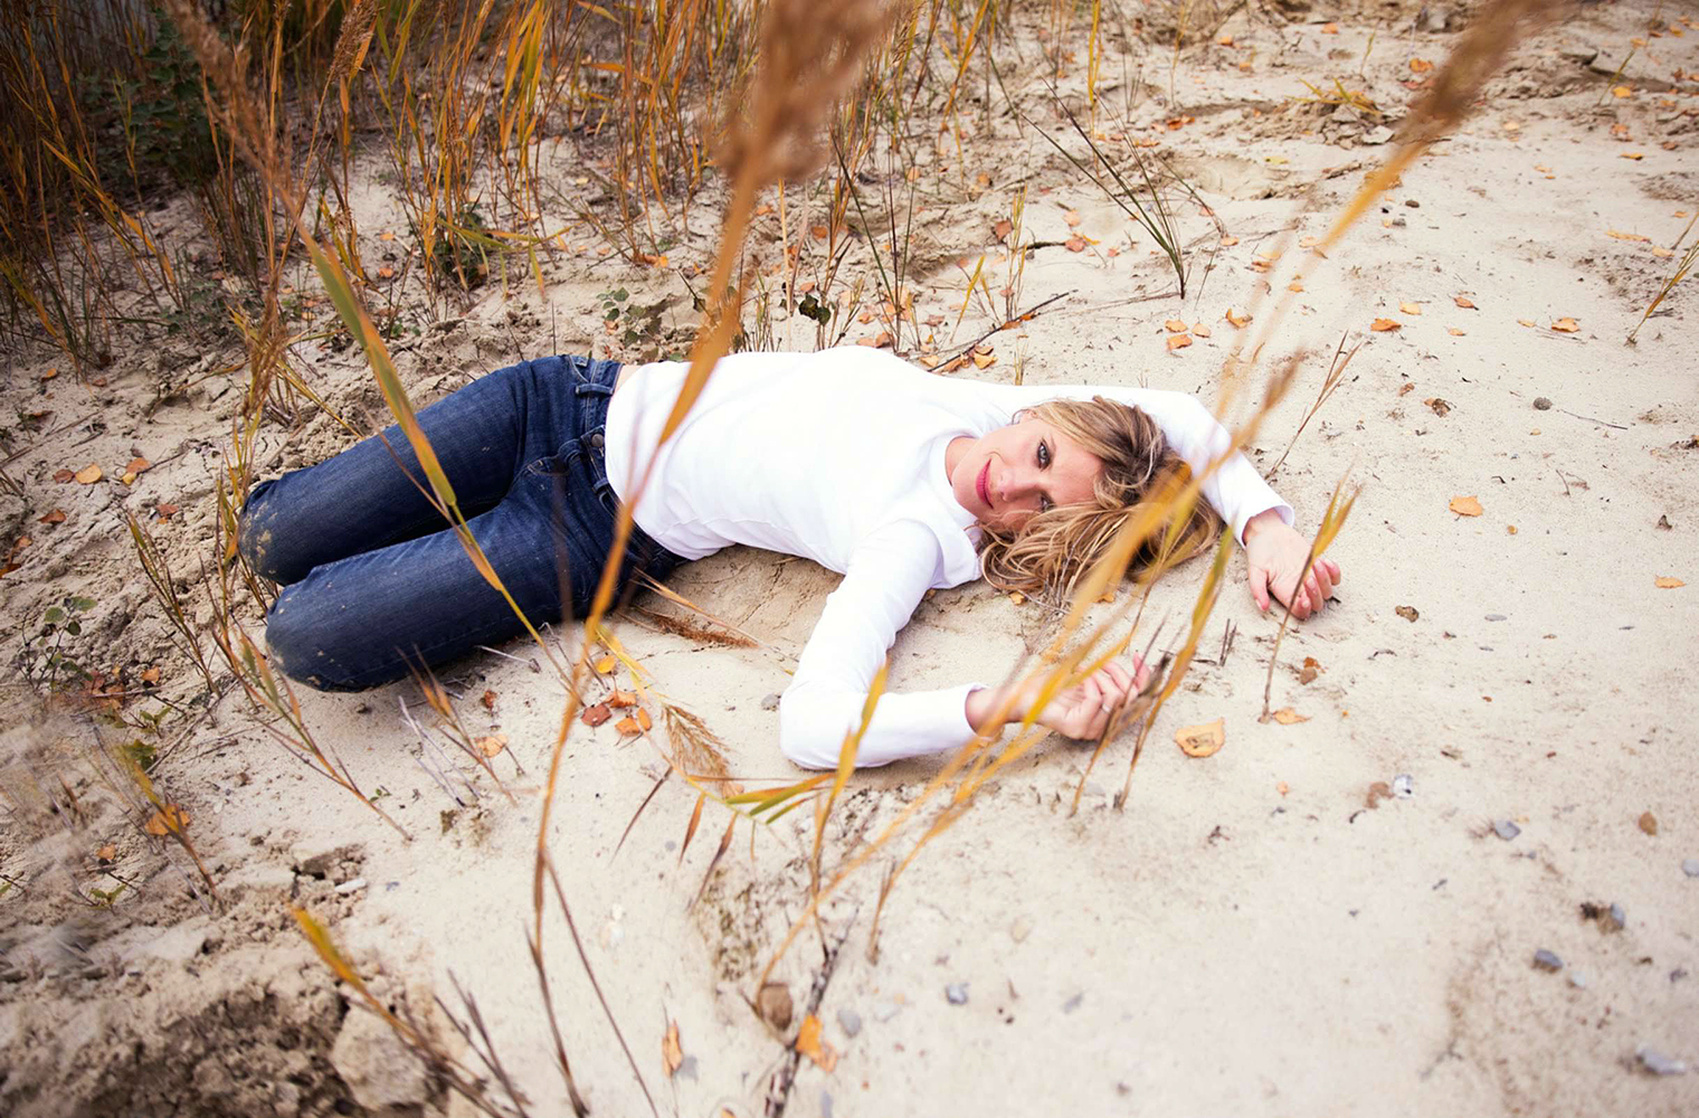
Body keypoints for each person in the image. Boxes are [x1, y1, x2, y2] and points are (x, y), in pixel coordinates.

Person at [238, 347, 1339, 770]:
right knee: (272, 535)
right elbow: (1183, 412)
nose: (1014, 480)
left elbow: (813, 728)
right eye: (1041, 453)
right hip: (561, 399)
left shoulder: (916, 538)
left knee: (305, 633)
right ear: (1041, 415)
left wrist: (1015, 703)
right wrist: (1270, 524)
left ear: (1036, 536)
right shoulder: (991, 406)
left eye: (1041, 506)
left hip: (587, 532)